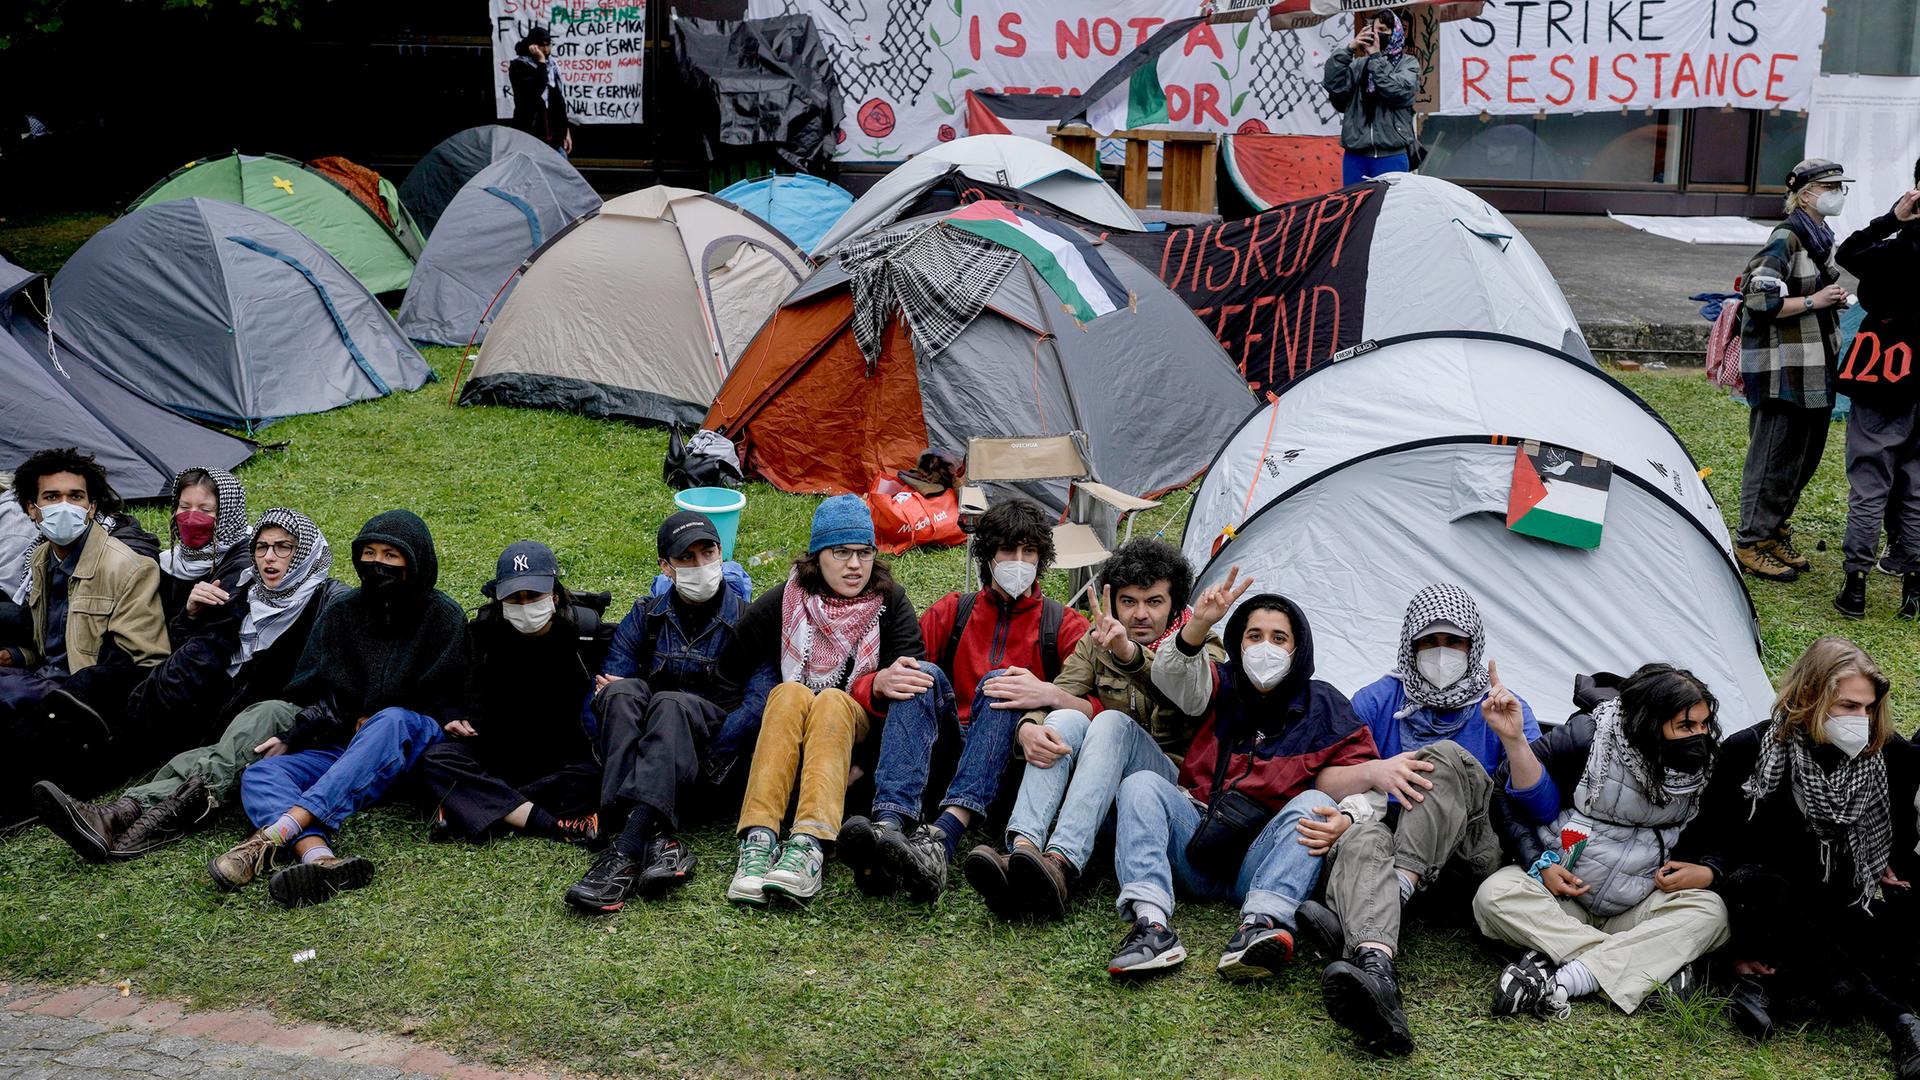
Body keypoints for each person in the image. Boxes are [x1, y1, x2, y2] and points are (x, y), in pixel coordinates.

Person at [1290, 584, 1550, 1056]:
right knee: (1365, 835)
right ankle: (1377, 971)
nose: (1441, 653)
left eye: (1454, 643)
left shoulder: (1499, 705)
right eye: (1429, 642)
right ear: (1410, 645)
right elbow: (1320, 776)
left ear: (1473, 647)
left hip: (1467, 862)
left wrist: (1513, 741)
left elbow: (1541, 807)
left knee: (1443, 758)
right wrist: (1374, 771)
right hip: (1390, 852)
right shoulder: (1378, 700)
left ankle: (1367, 909)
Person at [1107, 569, 1381, 980]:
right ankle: (1152, 925)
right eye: (1254, 636)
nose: (1264, 648)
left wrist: (1351, 816)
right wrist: (1200, 623)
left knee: (1317, 803)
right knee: (1140, 784)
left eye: (1278, 638)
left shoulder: (1325, 705)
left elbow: (1370, 780)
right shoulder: (1219, 683)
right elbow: (1171, 676)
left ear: (1297, 648)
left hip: (1263, 857)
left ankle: (1261, 926)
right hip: (1196, 841)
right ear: (1238, 641)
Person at [30, 509, 342, 862]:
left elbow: (345, 690)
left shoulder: (330, 606)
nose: (269, 557)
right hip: (225, 717)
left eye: (284, 548)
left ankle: (127, 816)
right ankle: (116, 814)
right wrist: (191, 615)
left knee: (258, 719)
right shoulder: (246, 593)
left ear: (305, 552)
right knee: (189, 751)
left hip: (291, 720)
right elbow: (191, 651)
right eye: (262, 547)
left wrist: (298, 731)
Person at [1676, 637, 1920, 1077]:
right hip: (1770, 902)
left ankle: (1776, 984)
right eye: (1847, 706)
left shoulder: (1888, 755)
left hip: (1843, 903)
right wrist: (1711, 869)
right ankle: (1894, 1018)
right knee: (1753, 883)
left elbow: (1901, 841)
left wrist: (1889, 867)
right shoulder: (1750, 750)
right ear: (1809, 696)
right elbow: (1714, 836)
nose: (1859, 719)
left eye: (1867, 708)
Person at [206, 509, 471, 908]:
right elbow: (320, 690)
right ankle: (321, 860)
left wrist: (390, 716)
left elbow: (452, 694)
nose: (377, 563)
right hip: (347, 744)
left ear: (414, 561)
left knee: (391, 719)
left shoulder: (444, 617)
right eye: (369, 552)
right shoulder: (343, 612)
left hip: (411, 745)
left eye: (390, 555)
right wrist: (295, 736)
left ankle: (274, 835)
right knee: (262, 774)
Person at [840, 498, 1092, 903]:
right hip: (942, 754)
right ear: (988, 556)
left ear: (1042, 558)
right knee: (919, 674)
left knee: (1001, 683)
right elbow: (892, 681)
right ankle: (888, 830)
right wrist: (878, 683)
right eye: (1007, 550)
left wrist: (1048, 694)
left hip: (1010, 764)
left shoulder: (1063, 624)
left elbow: (1103, 709)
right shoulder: (953, 611)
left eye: (1029, 551)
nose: (1018, 560)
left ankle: (942, 839)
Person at [965, 537, 1219, 921]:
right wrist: (1029, 730)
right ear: (1114, 600)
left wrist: (1128, 654)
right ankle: (1022, 850)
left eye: (1154, 602)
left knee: (1112, 722)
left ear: (1175, 603)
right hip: (1099, 791)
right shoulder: (1096, 641)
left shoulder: (1202, 645)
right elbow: (1059, 694)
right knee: (1064, 718)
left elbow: (1190, 699)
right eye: (1129, 601)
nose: (1140, 615)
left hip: (1168, 788)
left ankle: (1062, 863)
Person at [1472, 664, 1728, 1019]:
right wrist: (1539, 863)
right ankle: (1644, 964)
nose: (1698, 735)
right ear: (1650, 722)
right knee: (1493, 896)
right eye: (1685, 726)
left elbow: (1725, 828)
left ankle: (1562, 968)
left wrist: (1709, 871)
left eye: (1703, 725)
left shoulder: (1705, 763)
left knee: (1712, 913)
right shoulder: (1590, 737)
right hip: (1563, 896)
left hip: (1636, 905)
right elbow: (1504, 789)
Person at [720, 496, 924, 905]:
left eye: (864, 553)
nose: (854, 565)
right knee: (789, 691)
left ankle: (809, 845)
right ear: (818, 557)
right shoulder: (786, 600)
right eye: (841, 552)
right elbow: (728, 672)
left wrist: (864, 766)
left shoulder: (891, 604)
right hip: (788, 727)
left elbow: (911, 699)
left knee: (831, 699)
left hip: (855, 732)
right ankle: (758, 842)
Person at [551, 512, 749, 913]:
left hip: (711, 764)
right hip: (652, 759)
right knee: (622, 694)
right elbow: (608, 690)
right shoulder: (645, 615)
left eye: (706, 552)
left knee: (670, 703)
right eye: (686, 558)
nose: (698, 565)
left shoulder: (747, 621)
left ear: (721, 553)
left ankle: (622, 853)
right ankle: (659, 840)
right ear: (665, 566)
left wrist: (698, 754)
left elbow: (757, 706)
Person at [0, 448, 170, 823]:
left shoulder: (128, 567)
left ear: (92, 507)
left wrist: (77, 692)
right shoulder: (43, 558)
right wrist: (17, 655)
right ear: (32, 509)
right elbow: (50, 643)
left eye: (75, 497)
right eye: (51, 497)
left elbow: (145, 661)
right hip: (43, 679)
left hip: (76, 698)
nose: (65, 506)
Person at [416, 541, 611, 854]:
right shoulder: (479, 636)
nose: (524, 605)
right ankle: (551, 823)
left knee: (603, 773)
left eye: (533, 596)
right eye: (514, 598)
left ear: (555, 595)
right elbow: (438, 685)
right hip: (497, 753)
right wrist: (449, 712)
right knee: (437, 761)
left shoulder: (587, 636)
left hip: (564, 759)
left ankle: (474, 805)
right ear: (499, 600)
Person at [1735, 158, 1855, 583]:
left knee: (1802, 458)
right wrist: (1814, 302)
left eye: (1841, 186)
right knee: (1771, 456)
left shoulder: (1820, 236)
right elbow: (1759, 300)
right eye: (1831, 186)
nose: (1838, 193)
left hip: (1813, 365)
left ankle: (1773, 531)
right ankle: (1750, 540)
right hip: (1782, 368)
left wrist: (1828, 300)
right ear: (1805, 194)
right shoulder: (1786, 238)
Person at [1834, 177, 1920, 619]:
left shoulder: (1896, 251)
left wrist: (1892, 219)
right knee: (1916, 487)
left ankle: (1856, 585)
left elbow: (1847, 253)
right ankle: (1913, 588)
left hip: (1884, 373)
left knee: (1869, 481)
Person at [1320, 10, 1420, 185]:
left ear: (1395, 32)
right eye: (1374, 30)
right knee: (1356, 208)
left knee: (1390, 208)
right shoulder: (1358, 65)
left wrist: (1376, 57)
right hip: (1356, 156)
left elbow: (1396, 91)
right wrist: (1349, 48)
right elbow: (1333, 84)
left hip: (1392, 154)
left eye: (1383, 29)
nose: (1377, 35)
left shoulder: (1408, 63)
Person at [155, 467, 251, 625]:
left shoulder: (242, 561)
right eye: (184, 507)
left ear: (227, 514)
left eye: (205, 510)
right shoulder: (170, 561)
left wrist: (189, 616)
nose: (191, 519)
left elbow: (215, 632)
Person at [510, 26, 573, 155]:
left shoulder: (552, 66)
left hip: (553, 136)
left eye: (548, 45)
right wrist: (541, 63)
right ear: (532, 46)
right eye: (541, 45)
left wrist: (566, 131)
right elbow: (535, 91)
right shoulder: (519, 66)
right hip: (531, 133)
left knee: (560, 171)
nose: (545, 49)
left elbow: (558, 100)